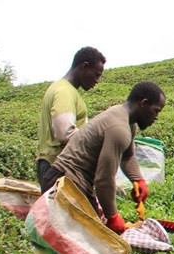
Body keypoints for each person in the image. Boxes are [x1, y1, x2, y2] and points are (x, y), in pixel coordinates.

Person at [42, 81, 165, 235]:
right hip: (64, 182)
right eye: (156, 111)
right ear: (144, 104)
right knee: (86, 240)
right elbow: (104, 180)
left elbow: (128, 156)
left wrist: (138, 179)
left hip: (75, 182)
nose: (156, 117)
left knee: (94, 237)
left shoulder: (127, 121)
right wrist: (112, 215)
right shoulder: (119, 128)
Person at [36, 47, 107, 192]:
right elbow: (65, 133)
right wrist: (99, 141)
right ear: (84, 66)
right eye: (96, 74)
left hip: (53, 164)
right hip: (58, 166)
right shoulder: (64, 92)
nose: (97, 80)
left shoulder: (62, 89)